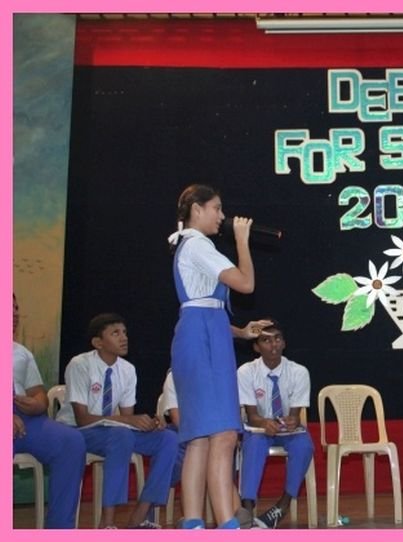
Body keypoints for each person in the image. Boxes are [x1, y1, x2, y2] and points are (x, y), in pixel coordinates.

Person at [168, 183, 261, 529]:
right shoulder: (197, 244)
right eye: (216, 208)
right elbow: (246, 283)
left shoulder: (189, 245)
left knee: (200, 439)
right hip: (204, 341)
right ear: (197, 209)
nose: (222, 216)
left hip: (201, 336)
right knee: (223, 434)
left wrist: (240, 332)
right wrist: (242, 240)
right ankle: (227, 524)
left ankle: (193, 524)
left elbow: (203, 309)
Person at [57, 313, 178, 528]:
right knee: (121, 435)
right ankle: (107, 523)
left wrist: (148, 424)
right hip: (77, 431)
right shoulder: (80, 364)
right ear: (98, 342)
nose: (124, 338)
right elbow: (82, 419)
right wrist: (129, 421)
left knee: (168, 439)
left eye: (124, 332)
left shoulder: (127, 369)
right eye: (115, 333)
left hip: (111, 431)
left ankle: (140, 516)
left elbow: (126, 416)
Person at [13, 294, 86, 528]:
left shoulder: (21, 353)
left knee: (71, 441)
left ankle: (59, 528)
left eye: (16, 307)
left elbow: (38, 393)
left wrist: (38, 404)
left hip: (24, 417)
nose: (14, 313)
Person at [149, 370, 253, 527]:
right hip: (186, 436)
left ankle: (217, 517)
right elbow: (178, 420)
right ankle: (227, 516)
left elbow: (229, 415)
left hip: (215, 435)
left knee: (221, 446)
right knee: (199, 449)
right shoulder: (176, 375)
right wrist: (205, 437)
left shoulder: (220, 373)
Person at [237, 320, 314, 529]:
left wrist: (292, 421)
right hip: (259, 428)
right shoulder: (246, 372)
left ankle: (283, 505)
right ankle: (247, 508)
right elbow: (252, 416)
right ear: (256, 347)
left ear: (284, 343)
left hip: (287, 431)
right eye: (266, 340)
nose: (273, 345)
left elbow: (295, 416)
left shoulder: (299, 372)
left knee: (304, 445)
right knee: (254, 444)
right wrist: (265, 423)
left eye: (277, 339)